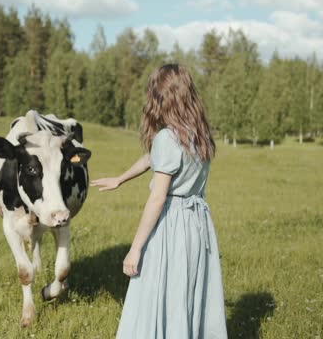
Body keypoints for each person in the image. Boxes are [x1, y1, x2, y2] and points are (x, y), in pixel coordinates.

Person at [91, 64, 227, 338]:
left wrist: (135, 249)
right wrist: (120, 178)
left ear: (161, 97)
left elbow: (157, 198)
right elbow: (151, 158)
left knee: (160, 291)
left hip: (172, 225)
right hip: (197, 224)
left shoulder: (168, 137)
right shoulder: (197, 134)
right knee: (187, 291)